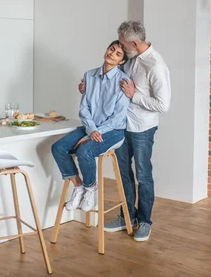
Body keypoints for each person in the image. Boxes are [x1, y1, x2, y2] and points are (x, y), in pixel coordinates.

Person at [79, 21, 171, 242]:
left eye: (121, 43)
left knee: (143, 175)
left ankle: (145, 221)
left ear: (133, 43)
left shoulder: (156, 66)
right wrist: (87, 87)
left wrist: (134, 95)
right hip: (120, 127)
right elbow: (109, 83)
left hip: (142, 129)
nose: (117, 46)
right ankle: (126, 217)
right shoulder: (128, 59)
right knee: (123, 175)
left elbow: (163, 105)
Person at [52, 40, 130, 213]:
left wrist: (93, 133)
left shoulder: (124, 81)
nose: (112, 54)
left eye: (118, 54)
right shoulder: (89, 76)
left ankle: (90, 188)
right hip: (91, 127)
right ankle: (78, 186)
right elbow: (84, 108)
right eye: (111, 49)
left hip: (113, 131)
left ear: (122, 61)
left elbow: (118, 118)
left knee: (84, 151)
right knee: (58, 148)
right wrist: (90, 130)